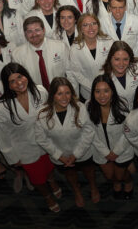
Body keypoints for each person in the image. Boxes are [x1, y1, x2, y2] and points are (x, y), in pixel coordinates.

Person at [0, 63, 62, 211]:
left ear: (26, 75)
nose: (18, 83)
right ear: (8, 85)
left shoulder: (40, 91)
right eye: (12, 81)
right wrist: (12, 157)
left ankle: (52, 181)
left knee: (49, 168)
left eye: (20, 76)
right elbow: (2, 135)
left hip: (46, 142)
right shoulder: (2, 106)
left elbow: (50, 115)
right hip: (24, 149)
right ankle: (47, 196)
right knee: (37, 178)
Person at [34, 77, 100, 207]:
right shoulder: (42, 114)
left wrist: (76, 154)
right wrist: (60, 156)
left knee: (89, 171)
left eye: (67, 93)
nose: (64, 97)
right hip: (60, 156)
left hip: (83, 152)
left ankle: (93, 187)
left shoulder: (80, 107)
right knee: (70, 174)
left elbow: (89, 132)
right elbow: (42, 139)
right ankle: (77, 191)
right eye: (59, 93)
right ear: (52, 95)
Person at [87, 74, 134, 199]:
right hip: (101, 150)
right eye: (97, 91)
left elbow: (128, 131)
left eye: (106, 91)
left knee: (121, 175)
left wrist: (116, 151)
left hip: (122, 149)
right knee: (110, 176)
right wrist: (106, 152)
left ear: (112, 91)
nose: (102, 96)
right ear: (93, 93)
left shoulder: (123, 104)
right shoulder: (88, 106)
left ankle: (128, 181)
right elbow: (90, 132)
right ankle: (117, 183)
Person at [12, 17, 68, 91]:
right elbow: (18, 81)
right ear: (25, 34)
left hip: (60, 92)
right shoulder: (17, 54)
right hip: (35, 96)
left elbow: (70, 72)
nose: (34, 34)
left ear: (44, 30)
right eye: (29, 31)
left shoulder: (60, 46)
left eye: (37, 30)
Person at [67, 13, 114, 102]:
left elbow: (115, 66)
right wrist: (94, 87)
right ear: (81, 29)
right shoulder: (75, 48)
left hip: (109, 89)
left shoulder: (108, 41)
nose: (91, 28)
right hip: (88, 92)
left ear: (98, 25)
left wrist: (106, 86)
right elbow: (77, 73)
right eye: (85, 25)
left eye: (94, 23)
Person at [99, 0, 138, 65]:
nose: (117, 11)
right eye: (114, 8)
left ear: (125, 7)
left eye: (121, 7)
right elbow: (101, 45)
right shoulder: (102, 22)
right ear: (109, 7)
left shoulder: (136, 20)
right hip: (111, 63)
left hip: (132, 61)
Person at [101, 41, 138, 110]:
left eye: (125, 59)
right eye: (117, 59)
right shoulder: (103, 76)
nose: (121, 64)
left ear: (130, 59)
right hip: (116, 116)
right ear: (110, 59)